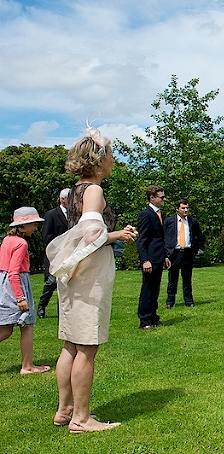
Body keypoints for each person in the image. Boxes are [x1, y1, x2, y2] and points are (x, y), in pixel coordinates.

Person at [46, 127, 137, 432]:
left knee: (70, 344)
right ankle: (81, 419)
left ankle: (64, 410)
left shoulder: (76, 190)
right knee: (87, 345)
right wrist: (118, 234)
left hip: (73, 274)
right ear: (99, 160)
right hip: (89, 273)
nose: (114, 159)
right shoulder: (95, 191)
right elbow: (91, 236)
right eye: (111, 154)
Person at [0, 207, 50, 374]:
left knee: (6, 328)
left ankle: (27, 365)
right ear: (22, 226)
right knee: (26, 325)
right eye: (33, 224)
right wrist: (20, 297)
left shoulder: (7, 239)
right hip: (16, 285)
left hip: (5, 284)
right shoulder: (21, 243)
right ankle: (27, 366)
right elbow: (14, 272)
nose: (35, 228)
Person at [137, 185, 171, 330]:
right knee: (148, 289)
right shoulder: (146, 214)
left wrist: (165, 256)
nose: (164, 199)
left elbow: (159, 238)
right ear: (152, 198)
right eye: (161, 197)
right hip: (150, 258)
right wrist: (145, 260)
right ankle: (144, 320)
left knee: (155, 288)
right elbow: (142, 239)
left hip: (158, 256)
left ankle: (153, 315)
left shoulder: (158, 213)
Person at [164, 199, 204, 308]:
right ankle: (170, 301)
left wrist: (196, 249)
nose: (185, 210)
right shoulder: (169, 221)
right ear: (177, 209)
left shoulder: (192, 221)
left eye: (187, 208)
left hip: (187, 252)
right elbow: (164, 237)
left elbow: (199, 236)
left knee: (187, 278)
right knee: (172, 279)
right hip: (174, 253)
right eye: (183, 208)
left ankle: (189, 301)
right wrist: (166, 253)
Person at [37, 188, 70, 318]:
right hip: (55, 254)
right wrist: (59, 247)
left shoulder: (74, 215)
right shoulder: (51, 215)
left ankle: (62, 311)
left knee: (65, 283)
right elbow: (46, 236)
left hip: (69, 255)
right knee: (51, 283)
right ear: (63, 200)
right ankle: (42, 305)